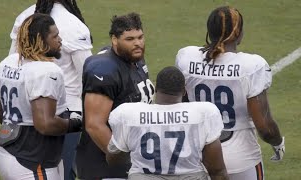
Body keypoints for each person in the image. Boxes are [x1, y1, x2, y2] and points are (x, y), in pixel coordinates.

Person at [175, 6, 285, 180]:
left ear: (209, 31)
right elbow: (264, 127)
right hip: (240, 159)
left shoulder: (186, 57)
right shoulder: (252, 66)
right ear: (238, 33)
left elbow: (181, 103)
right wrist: (278, 143)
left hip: (198, 156)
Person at [9, 1, 93, 179]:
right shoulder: (74, 25)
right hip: (65, 116)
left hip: (22, 116)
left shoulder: (24, 18)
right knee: (60, 172)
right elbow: (89, 77)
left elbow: (13, 65)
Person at [106, 66, 229, 180]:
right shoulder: (204, 113)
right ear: (184, 91)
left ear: (155, 89)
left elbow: (113, 158)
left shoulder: (128, 114)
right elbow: (217, 170)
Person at [76, 12, 155, 179]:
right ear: (114, 40)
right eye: (130, 39)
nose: (137, 43)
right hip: (105, 166)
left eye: (140, 37)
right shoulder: (104, 69)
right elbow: (94, 125)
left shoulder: (136, 59)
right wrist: (126, 161)